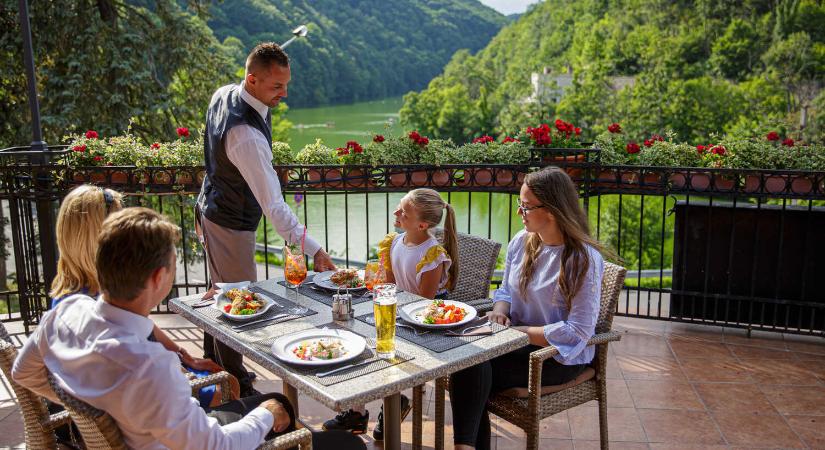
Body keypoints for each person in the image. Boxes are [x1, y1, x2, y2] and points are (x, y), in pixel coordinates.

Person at [13, 207, 364, 450]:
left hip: (167, 432)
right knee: (343, 442)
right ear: (158, 278)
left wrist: (91, 408)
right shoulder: (147, 366)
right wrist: (263, 419)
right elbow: (218, 446)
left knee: (276, 401)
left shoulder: (66, 313)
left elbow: (23, 373)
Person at [196, 42, 336, 397]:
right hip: (228, 222)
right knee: (238, 306)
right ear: (252, 79)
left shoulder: (225, 93)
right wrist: (316, 250)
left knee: (221, 297)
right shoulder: (246, 135)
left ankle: (216, 371)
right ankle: (236, 386)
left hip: (212, 207)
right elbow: (274, 207)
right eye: (277, 86)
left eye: (286, 85)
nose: (284, 94)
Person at [449, 166, 606, 450]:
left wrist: (520, 333)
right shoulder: (521, 242)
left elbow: (578, 332)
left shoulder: (583, 260)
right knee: (467, 361)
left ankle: (465, 447)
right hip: (515, 344)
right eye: (520, 204)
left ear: (552, 210)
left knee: (470, 369)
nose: (519, 212)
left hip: (556, 358)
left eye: (526, 206)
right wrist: (500, 309)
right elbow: (506, 289)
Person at [49, 185, 233, 408]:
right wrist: (184, 373)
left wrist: (184, 355)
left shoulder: (80, 293)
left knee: (227, 381)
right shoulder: (90, 309)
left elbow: (143, 327)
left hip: (145, 386)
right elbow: (135, 360)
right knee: (229, 385)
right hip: (153, 402)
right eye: (120, 222)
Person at [323, 188, 459, 440]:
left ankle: (394, 401)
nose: (396, 212)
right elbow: (389, 285)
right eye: (399, 206)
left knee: (379, 348)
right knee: (354, 338)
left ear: (422, 224)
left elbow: (424, 303)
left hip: (424, 323)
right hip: (399, 312)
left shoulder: (433, 255)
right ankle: (358, 411)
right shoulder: (395, 242)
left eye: (404, 212)